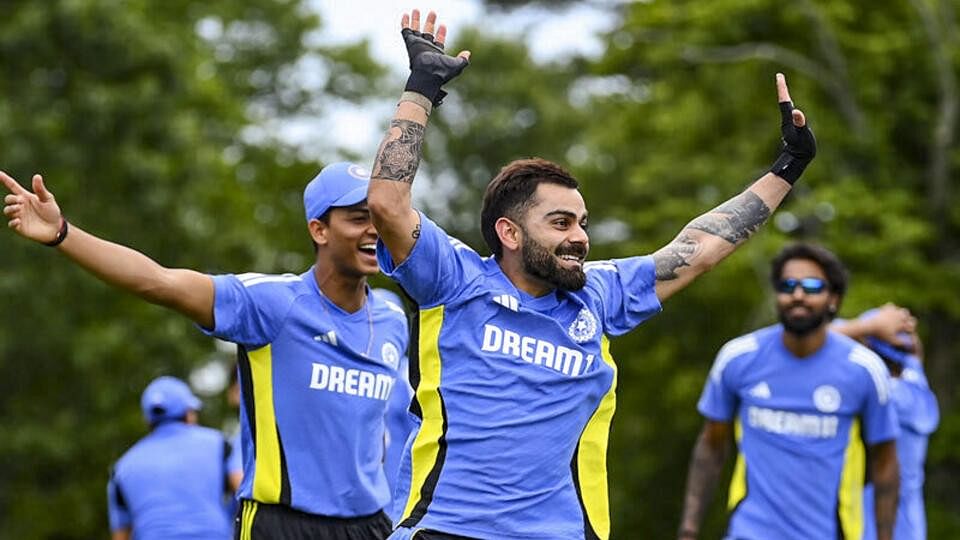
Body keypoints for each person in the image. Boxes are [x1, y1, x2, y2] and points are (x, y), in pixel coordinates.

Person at [366, 9, 817, 539]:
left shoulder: (599, 295)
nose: (579, 236)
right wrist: (420, 89)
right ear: (509, 234)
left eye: (582, 222)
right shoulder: (455, 279)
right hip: (444, 530)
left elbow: (696, 248)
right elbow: (388, 204)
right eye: (560, 222)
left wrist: (788, 167)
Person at [1, 162, 409, 539]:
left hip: (370, 525)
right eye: (358, 219)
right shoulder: (272, 304)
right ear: (319, 230)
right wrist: (63, 234)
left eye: (376, 217)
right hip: (283, 524)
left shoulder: (393, 320)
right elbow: (158, 282)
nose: (373, 229)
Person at [677, 243, 901, 540]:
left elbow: (885, 464)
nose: (798, 295)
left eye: (811, 286)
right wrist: (689, 529)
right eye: (787, 285)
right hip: (749, 532)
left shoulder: (864, 370)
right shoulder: (739, 357)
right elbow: (711, 446)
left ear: (833, 299)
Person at [107, 376, 239, 540]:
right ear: (188, 414)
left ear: (148, 420)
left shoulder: (122, 467)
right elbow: (242, 488)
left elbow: (121, 535)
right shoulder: (220, 444)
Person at [857, 310, 939, 540]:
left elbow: (825, 337)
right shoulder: (915, 382)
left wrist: (870, 327)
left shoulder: (883, 394)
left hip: (876, 522)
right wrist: (904, 326)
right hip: (912, 525)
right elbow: (913, 355)